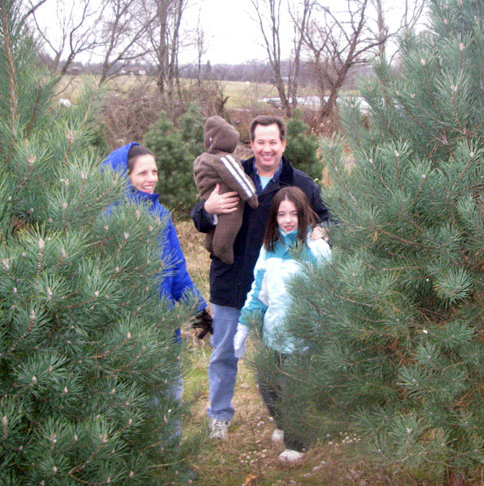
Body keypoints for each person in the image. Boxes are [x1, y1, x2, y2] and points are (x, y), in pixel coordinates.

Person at [190, 115, 330, 439]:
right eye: (260, 142)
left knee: (279, 358)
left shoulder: (301, 184)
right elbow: (198, 217)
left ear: (283, 143)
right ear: (250, 144)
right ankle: (219, 416)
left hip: (279, 290)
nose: (267, 149)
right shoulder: (232, 173)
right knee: (224, 351)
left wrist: (322, 232)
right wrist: (209, 207)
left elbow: (328, 217)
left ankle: (286, 418)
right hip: (233, 281)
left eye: (273, 142)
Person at [102, 142, 212, 443]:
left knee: (167, 400)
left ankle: (168, 462)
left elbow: (177, 273)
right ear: (122, 176)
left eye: (154, 171)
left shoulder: (161, 216)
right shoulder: (105, 220)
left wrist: (201, 317)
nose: (151, 178)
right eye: (142, 173)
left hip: (163, 330)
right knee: (126, 408)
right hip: (121, 336)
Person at [233, 187, 331, 462]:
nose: (288, 220)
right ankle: (284, 422)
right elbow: (258, 293)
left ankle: (296, 446)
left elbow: (329, 293)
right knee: (267, 384)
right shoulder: (268, 250)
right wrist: (243, 327)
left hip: (304, 338)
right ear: (274, 218)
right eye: (281, 214)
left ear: (303, 215)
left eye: (294, 214)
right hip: (273, 334)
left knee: (293, 392)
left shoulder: (317, 249)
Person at [193, 115, 258, 265]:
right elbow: (240, 179)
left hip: (213, 197)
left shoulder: (202, 159)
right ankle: (223, 251)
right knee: (228, 229)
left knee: (218, 232)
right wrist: (251, 197)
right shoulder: (225, 160)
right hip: (231, 202)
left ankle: (212, 245)